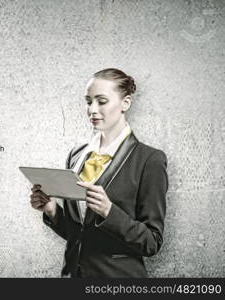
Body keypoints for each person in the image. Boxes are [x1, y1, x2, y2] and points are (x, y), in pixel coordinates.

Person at [30, 68, 168, 278]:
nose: (92, 109)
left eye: (101, 101)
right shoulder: (76, 156)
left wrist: (109, 212)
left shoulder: (150, 160)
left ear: (126, 103)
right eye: (88, 101)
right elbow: (79, 236)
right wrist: (51, 210)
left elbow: (152, 242)